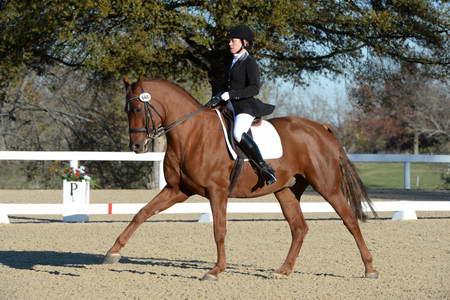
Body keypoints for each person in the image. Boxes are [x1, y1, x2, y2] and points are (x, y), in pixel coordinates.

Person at [207, 24, 277, 185]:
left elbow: (254, 88)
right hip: (230, 106)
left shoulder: (249, 62)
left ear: (244, 42)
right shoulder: (232, 60)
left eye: (233, 41)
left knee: (238, 133)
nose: (230, 43)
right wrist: (218, 97)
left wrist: (230, 94)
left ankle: (265, 168)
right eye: (229, 41)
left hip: (245, 107)